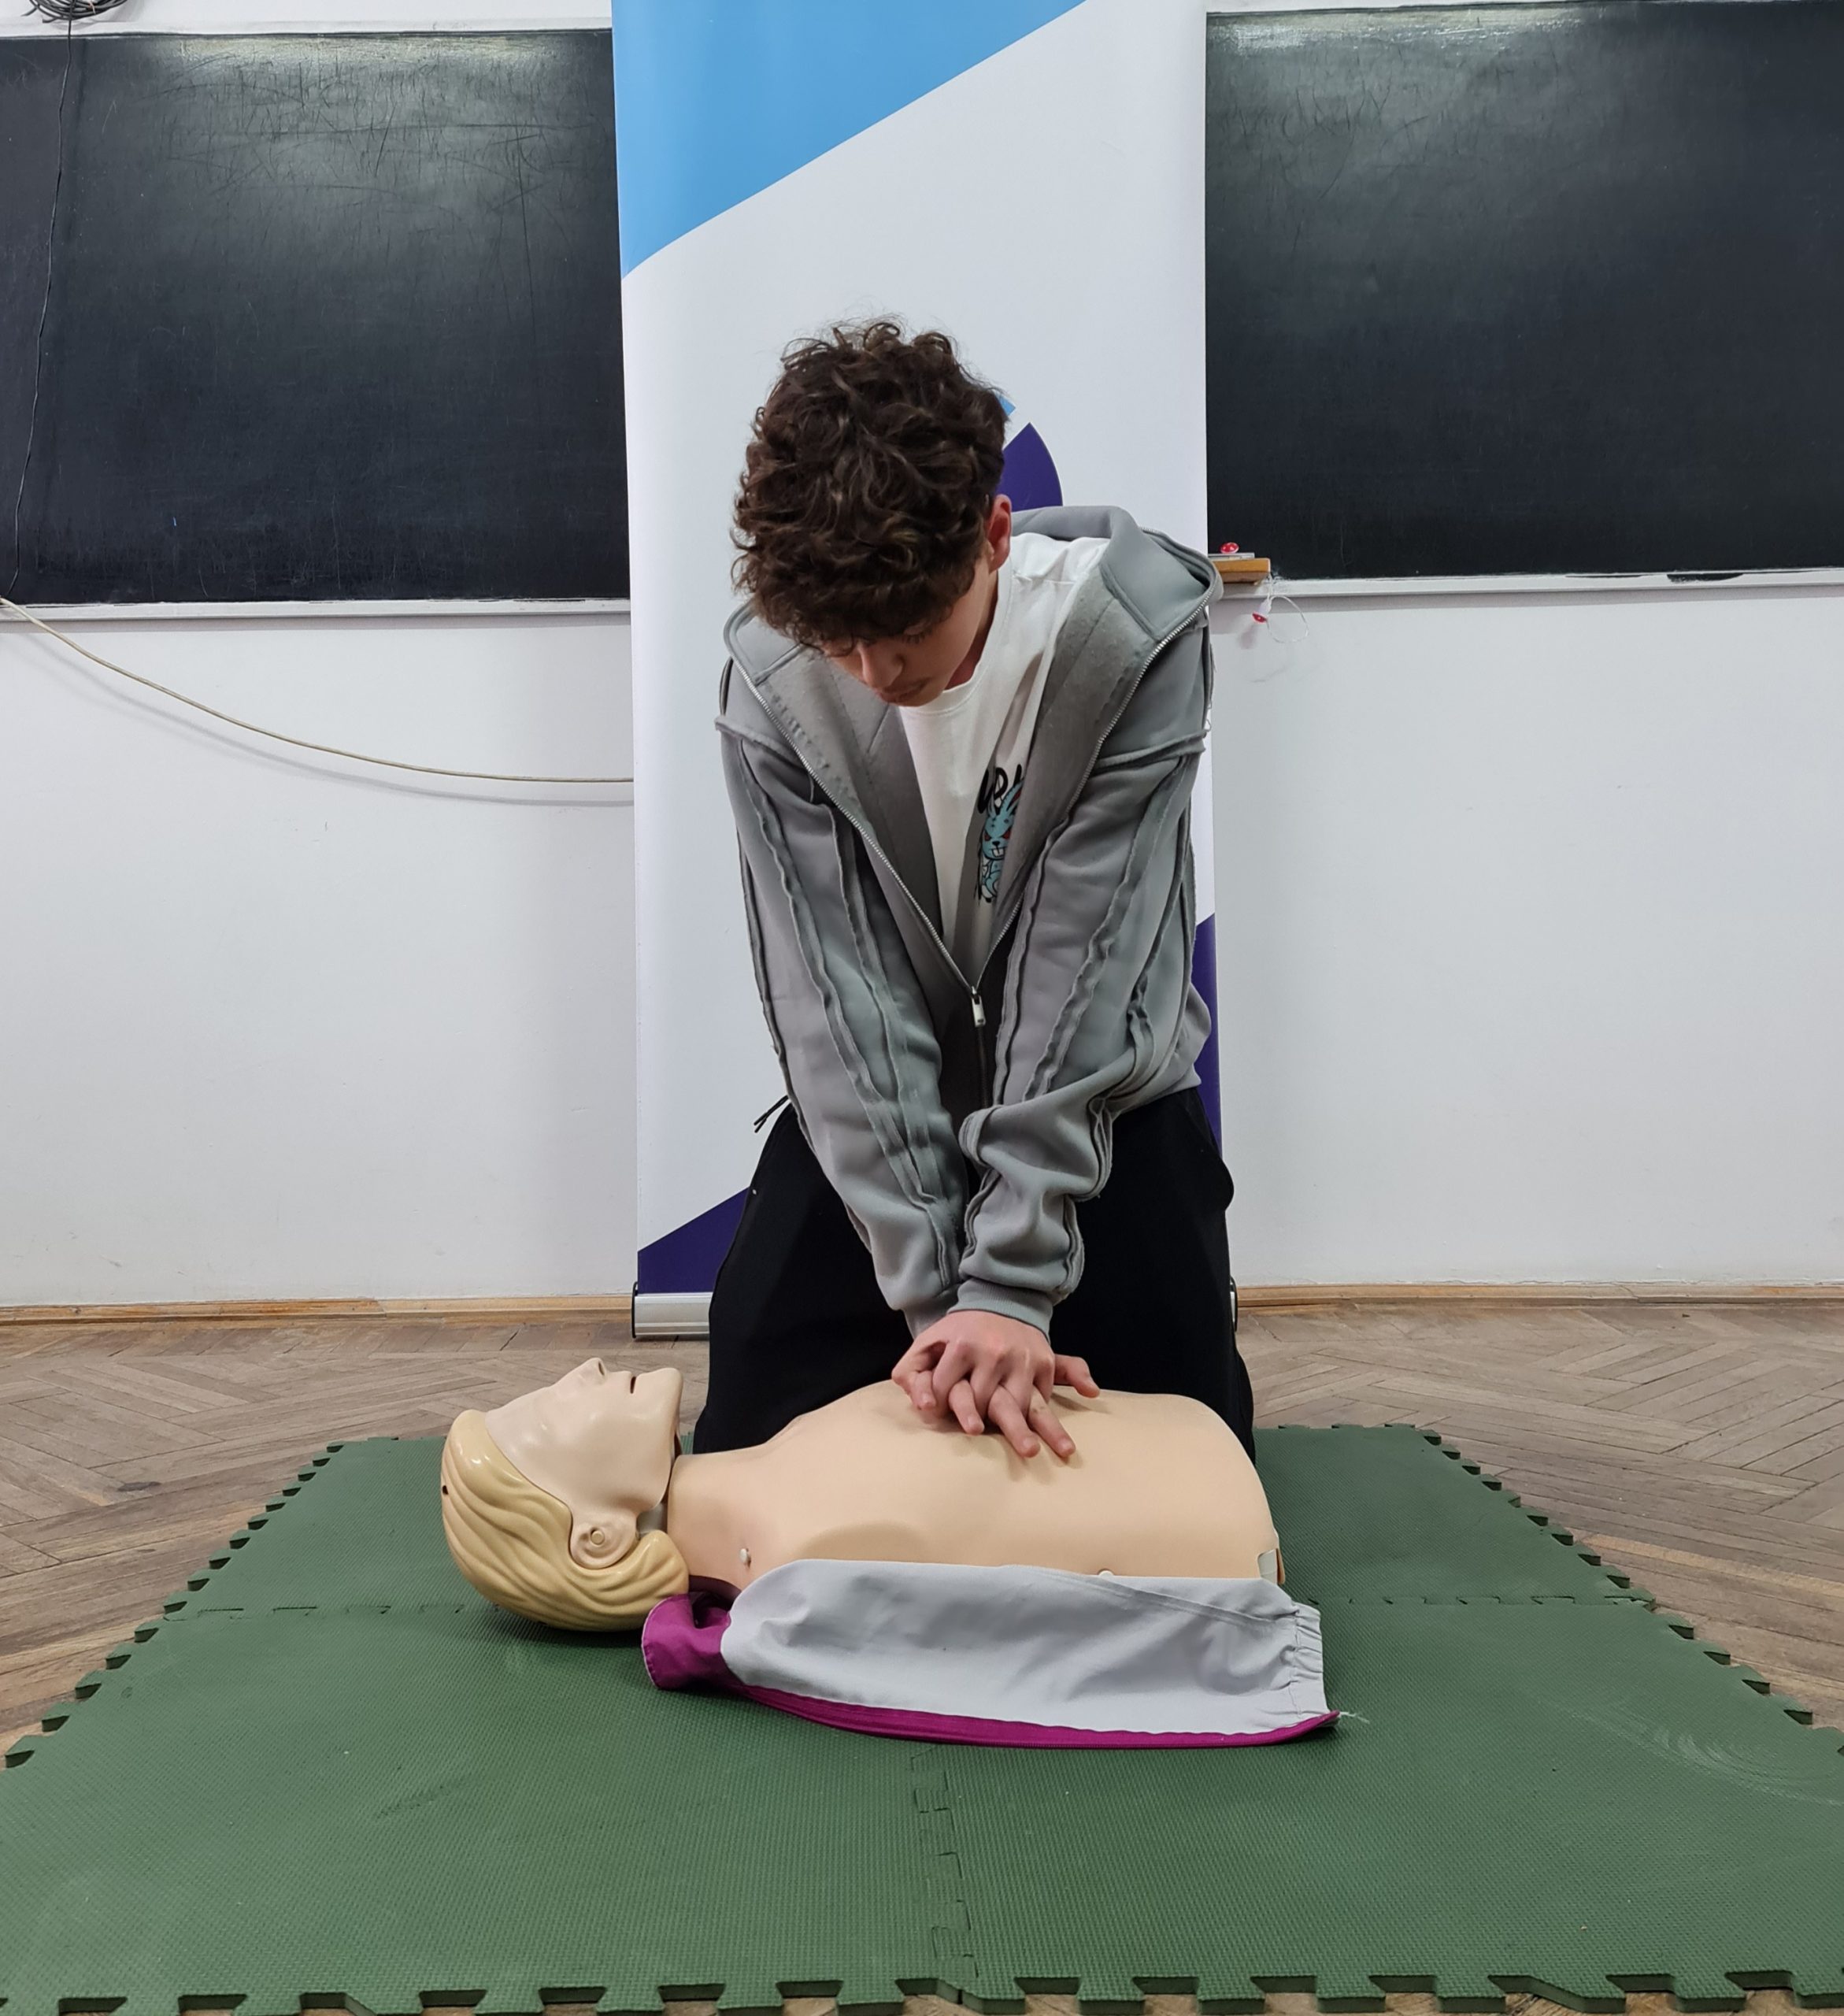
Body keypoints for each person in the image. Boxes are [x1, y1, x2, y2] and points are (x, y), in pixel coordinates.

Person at [702, 319, 1254, 1465]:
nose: (874, 674)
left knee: (1195, 1457)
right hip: (886, 1103)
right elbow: (838, 998)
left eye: (906, 632)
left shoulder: (1131, 642)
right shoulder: (774, 682)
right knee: (741, 1442)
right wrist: (935, 1318)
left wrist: (1006, 1290)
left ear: (994, 536)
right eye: (837, 643)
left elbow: (1080, 974)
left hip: (1103, 1102)